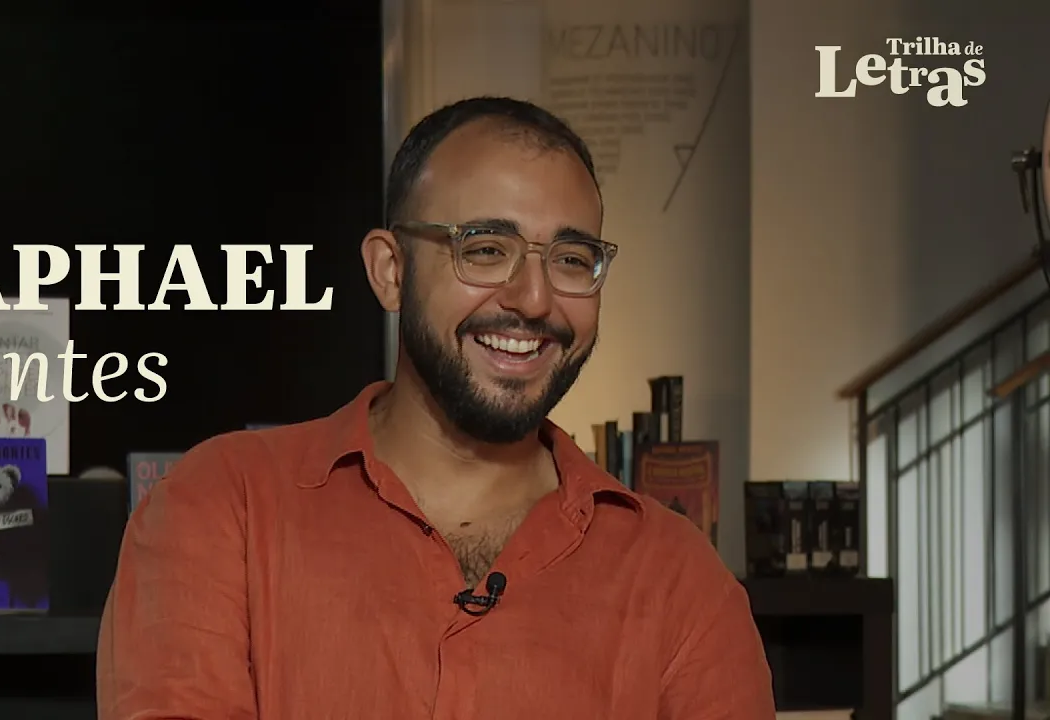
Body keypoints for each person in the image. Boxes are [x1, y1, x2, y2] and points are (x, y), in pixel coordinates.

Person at [96, 96, 775, 719]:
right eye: (486, 249)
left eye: (572, 259)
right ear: (390, 271)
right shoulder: (223, 505)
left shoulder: (680, 580)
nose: (534, 299)